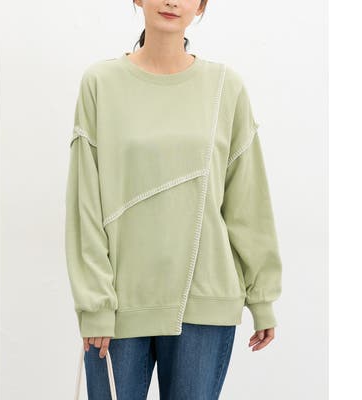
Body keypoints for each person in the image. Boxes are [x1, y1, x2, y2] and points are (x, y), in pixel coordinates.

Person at [64, 1, 283, 399]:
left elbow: (248, 202)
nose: (171, 1)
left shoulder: (225, 87)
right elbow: (85, 202)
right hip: (119, 304)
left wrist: (262, 297)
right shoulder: (101, 83)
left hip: (205, 302)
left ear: (200, 5)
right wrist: (95, 303)